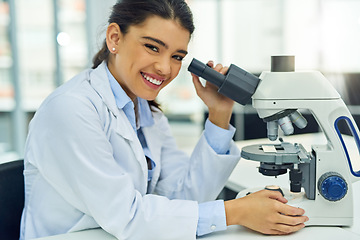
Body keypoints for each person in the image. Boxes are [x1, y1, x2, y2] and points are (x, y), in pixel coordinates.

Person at [19, 0, 308, 239]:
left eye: (177, 56)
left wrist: (219, 113)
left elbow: (186, 197)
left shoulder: (147, 111)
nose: (165, 68)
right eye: (153, 47)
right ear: (114, 38)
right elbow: (127, 216)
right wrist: (236, 211)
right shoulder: (70, 109)